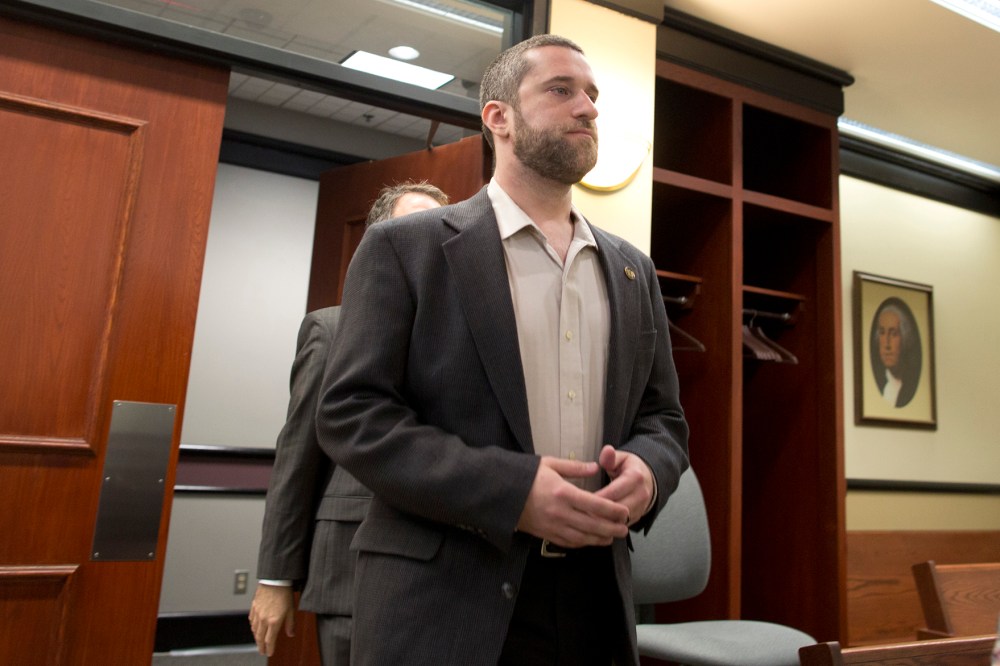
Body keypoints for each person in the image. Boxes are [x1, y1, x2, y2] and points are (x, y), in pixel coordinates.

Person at [317, 34, 689, 665]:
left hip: (596, 600)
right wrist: (511, 492)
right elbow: (353, 415)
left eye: (593, 95)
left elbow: (664, 421)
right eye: (561, 90)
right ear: (498, 118)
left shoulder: (634, 271)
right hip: (443, 600)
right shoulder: (405, 250)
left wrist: (648, 474)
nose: (589, 109)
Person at [249, 181, 449, 664]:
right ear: (380, 241)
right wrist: (275, 580)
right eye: (414, 228)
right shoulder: (332, 330)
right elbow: (297, 459)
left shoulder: (460, 339)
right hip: (350, 564)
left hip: (445, 571)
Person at [869, 297, 921, 407]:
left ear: (905, 338)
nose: (887, 344)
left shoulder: (910, 386)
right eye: (882, 333)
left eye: (894, 334)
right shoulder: (881, 386)